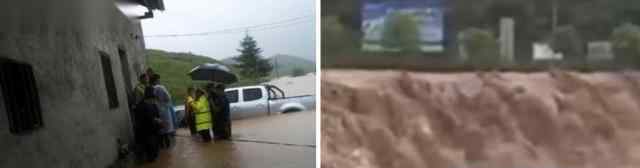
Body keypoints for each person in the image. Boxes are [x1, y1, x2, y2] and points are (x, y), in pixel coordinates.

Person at [133, 87, 162, 162]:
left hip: (154, 130)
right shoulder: (140, 106)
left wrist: (158, 120)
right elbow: (141, 120)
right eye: (153, 99)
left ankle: (152, 157)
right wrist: (155, 120)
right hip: (146, 132)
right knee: (151, 148)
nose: (154, 101)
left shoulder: (153, 105)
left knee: (155, 147)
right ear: (149, 98)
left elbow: (157, 114)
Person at [150, 74, 175, 148]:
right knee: (166, 128)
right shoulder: (160, 87)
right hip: (163, 109)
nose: (159, 81)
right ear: (156, 80)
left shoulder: (150, 88)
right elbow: (168, 97)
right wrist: (165, 103)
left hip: (155, 110)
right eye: (158, 79)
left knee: (160, 128)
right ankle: (167, 145)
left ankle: (161, 145)